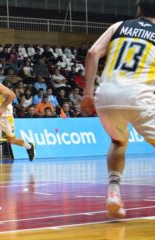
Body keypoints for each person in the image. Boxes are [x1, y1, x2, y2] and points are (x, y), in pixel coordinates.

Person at [81, 0, 155, 219]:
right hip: (137, 96)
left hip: (106, 96)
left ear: (138, 9)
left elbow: (93, 54)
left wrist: (87, 94)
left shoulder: (119, 26)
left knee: (118, 141)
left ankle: (113, 192)